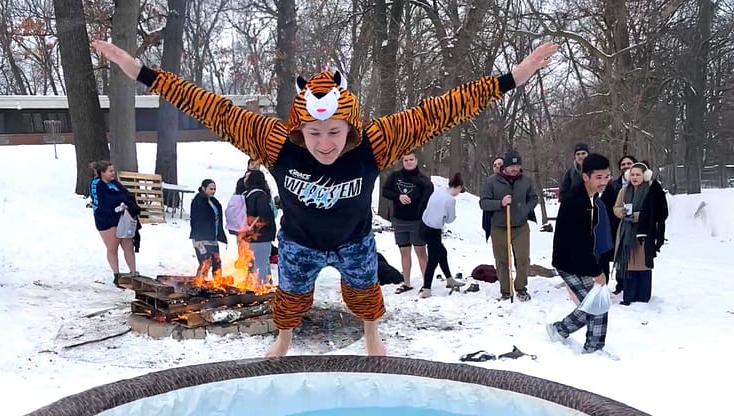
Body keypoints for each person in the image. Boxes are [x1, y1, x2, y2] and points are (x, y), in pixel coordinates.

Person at [91, 39, 558, 357]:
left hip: (354, 240)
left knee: (365, 295)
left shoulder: (377, 141)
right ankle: (285, 339)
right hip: (299, 241)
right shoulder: (275, 142)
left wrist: (511, 77)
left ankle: (372, 333)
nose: (325, 142)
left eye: (334, 131)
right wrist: (138, 71)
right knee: (291, 298)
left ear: (350, 127)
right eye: (313, 132)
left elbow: (441, 110)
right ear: (299, 128)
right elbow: (210, 106)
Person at [547, 153, 614, 355]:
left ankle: (560, 329)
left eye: (607, 176)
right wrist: (596, 272)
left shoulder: (594, 198)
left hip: (585, 259)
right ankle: (593, 349)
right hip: (569, 261)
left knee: (594, 302)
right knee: (596, 305)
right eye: (599, 177)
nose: (604, 182)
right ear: (586, 177)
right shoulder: (575, 203)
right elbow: (578, 243)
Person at [479, 150, 538, 301]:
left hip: (520, 226)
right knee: (502, 260)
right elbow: (483, 203)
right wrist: (500, 203)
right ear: (505, 166)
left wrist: (526, 208)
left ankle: (521, 287)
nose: (515, 169)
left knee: (523, 258)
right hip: (499, 226)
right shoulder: (492, 181)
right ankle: (506, 290)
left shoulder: (526, 181)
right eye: (512, 166)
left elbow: (533, 198)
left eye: (517, 166)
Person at [612, 161, 668, 304]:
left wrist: (638, 216)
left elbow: (656, 211)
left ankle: (643, 297)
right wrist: (623, 213)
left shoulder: (651, 191)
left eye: (638, 174)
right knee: (629, 265)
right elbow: (616, 208)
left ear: (645, 175)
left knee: (643, 265)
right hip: (626, 232)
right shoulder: (623, 191)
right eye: (632, 174)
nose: (635, 177)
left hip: (644, 233)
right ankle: (629, 296)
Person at [381, 152, 433, 293]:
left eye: (411, 160)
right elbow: (385, 191)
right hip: (399, 220)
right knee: (404, 252)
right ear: (402, 162)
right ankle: (407, 283)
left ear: (416, 161)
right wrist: (399, 196)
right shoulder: (395, 176)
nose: (408, 162)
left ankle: (426, 284)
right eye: (405, 160)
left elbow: (429, 196)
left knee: (420, 252)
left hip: (417, 221)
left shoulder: (422, 179)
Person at [89, 160, 140, 287]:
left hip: (122, 218)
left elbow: (127, 195)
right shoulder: (97, 184)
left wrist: (130, 206)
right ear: (102, 172)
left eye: (113, 171)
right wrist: (118, 204)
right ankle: (117, 275)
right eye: (110, 171)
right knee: (113, 247)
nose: (113, 173)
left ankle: (133, 272)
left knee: (128, 245)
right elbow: (104, 202)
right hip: (106, 219)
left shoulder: (115, 183)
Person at [419, 173, 465, 298]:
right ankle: (426, 288)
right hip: (433, 230)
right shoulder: (450, 200)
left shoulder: (439, 190)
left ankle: (449, 279)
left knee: (442, 253)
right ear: (458, 187)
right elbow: (450, 219)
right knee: (433, 259)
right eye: (460, 190)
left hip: (423, 225)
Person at [600, 155, 636, 294]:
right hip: (613, 227)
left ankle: (625, 284)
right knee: (607, 255)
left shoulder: (641, 184)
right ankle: (605, 284)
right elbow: (603, 206)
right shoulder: (612, 186)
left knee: (626, 256)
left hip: (633, 226)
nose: (626, 166)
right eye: (623, 164)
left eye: (629, 163)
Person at [242, 170, 277, 284]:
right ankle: (262, 287)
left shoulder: (245, 194)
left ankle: (249, 286)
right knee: (262, 264)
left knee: (251, 263)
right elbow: (265, 214)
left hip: (247, 234)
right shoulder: (261, 195)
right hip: (261, 235)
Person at [190, 179, 227, 279]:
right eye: (210, 189)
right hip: (201, 238)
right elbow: (196, 220)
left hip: (213, 238)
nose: (213, 191)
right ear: (203, 188)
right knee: (205, 262)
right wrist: (198, 238)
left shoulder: (214, 201)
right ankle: (199, 282)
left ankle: (218, 282)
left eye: (214, 189)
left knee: (217, 262)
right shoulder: (198, 201)